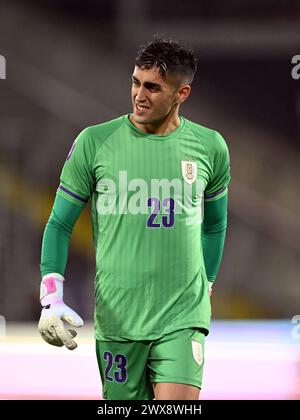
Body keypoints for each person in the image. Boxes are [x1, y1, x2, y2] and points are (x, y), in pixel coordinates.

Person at [38, 37, 230, 400]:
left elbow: (215, 224)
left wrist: (207, 282)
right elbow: (59, 223)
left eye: (153, 87)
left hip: (182, 316)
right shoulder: (95, 143)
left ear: (181, 93)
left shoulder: (210, 147)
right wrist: (52, 296)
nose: (139, 95)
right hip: (118, 317)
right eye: (136, 82)